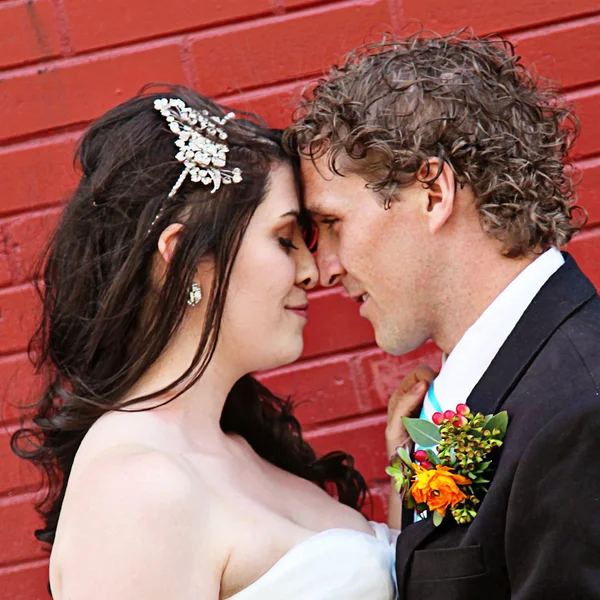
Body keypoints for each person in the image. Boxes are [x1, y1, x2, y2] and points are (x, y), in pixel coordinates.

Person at [11, 86, 399, 600]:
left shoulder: (238, 448)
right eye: (284, 240)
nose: (311, 273)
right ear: (184, 255)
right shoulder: (135, 487)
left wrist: (409, 475)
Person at [285, 30, 600, 600]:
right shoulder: (485, 385)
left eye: (332, 224)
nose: (325, 268)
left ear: (433, 193)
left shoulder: (580, 413)